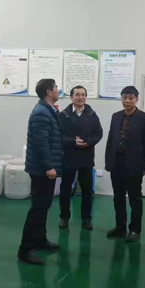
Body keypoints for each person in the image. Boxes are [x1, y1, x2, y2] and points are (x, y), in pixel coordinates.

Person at [18, 79, 63, 266]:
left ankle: (39, 239)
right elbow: (40, 143)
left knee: (44, 206)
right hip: (41, 169)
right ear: (49, 92)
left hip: (45, 168)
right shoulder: (41, 113)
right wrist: (48, 166)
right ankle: (25, 249)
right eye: (56, 87)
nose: (58, 90)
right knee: (38, 208)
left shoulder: (48, 110)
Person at [105, 86, 145, 242]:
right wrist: (108, 160)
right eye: (124, 98)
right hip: (117, 163)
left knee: (135, 198)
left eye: (131, 98)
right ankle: (120, 227)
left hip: (135, 165)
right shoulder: (115, 116)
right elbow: (110, 139)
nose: (127, 101)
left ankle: (135, 229)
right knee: (118, 197)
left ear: (136, 99)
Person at [59, 86, 103, 230]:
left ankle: (86, 219)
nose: (81, 97)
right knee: (65, 189)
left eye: (83, 94)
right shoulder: (63, 115)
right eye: (77, 94)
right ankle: (64, 217)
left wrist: (88, 142)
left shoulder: (92, 115)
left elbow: (98, 134)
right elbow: (58, 135)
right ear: (71, 97)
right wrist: (73, 141)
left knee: (87, 190)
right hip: (69, 157)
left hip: (86, 157)